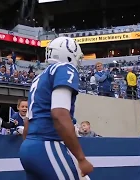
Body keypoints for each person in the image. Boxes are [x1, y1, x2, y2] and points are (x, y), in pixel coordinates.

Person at [19, 37, 93, 180]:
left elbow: (27, 122)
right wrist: (81, 158)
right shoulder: (65, 69)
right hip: (47, 144)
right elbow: (59, 114)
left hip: (28, 147)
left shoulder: (39, 78)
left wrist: (31, 150)